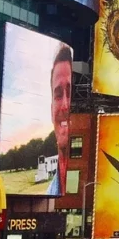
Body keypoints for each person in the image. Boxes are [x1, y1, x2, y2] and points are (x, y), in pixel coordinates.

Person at [45, 44, 73, 195]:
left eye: (71, 92)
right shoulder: (48, 195)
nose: (65, 105)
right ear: (51, 111)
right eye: (58, 95)